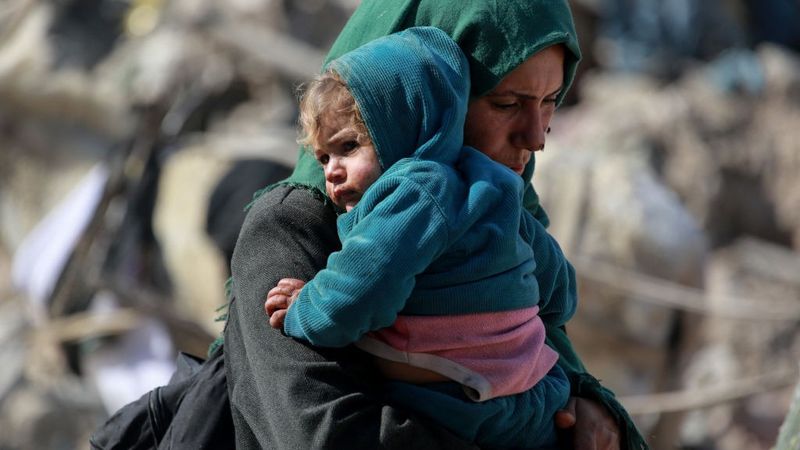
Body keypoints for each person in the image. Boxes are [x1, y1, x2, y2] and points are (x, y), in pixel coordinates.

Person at [225, 1, 648, 449]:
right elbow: (326, 436)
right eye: (507, 103)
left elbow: (546, 323)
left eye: (550, 103)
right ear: (431, 100)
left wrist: (586, 401)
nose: (537, 137)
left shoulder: (503, 207)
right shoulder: (290, 230)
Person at [266, 27, 573, 449]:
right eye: (323, 158)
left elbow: (356, 297)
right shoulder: (495, 186)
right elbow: (559, 290)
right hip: (538, 391)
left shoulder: (414, 191)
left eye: (349, 146)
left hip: (464, 403)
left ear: (403, 127)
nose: (331, 172)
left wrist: (305, 307)